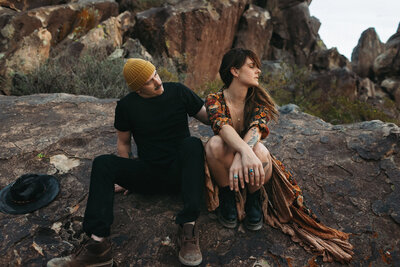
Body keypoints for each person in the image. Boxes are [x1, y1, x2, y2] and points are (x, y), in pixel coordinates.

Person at [48, 58, 209, 267]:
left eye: (156, 75)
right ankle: (98, 245)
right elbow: (123, 144)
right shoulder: (126, 106)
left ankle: (188, 228)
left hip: (180, 174)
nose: (158, 82)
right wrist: (124, 178)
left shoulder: (178, 91)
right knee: (103, 164)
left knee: (193, 144)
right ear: (138, 89)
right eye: (150, 82)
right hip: (148, 174)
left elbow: (207, 117)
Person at [204, 48, 354, 263]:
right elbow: (222, 126)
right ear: (235, 71)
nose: (258, 71)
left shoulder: (259, 101)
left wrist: (243, 155)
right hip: (226, 164)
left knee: (261, 150)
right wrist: (241, 153)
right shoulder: (214, 99)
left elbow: (256, 130)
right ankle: (228, 197)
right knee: (214, 144)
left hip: (251, 164)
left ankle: (253, 200)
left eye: (257, 66)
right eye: (252, 66)